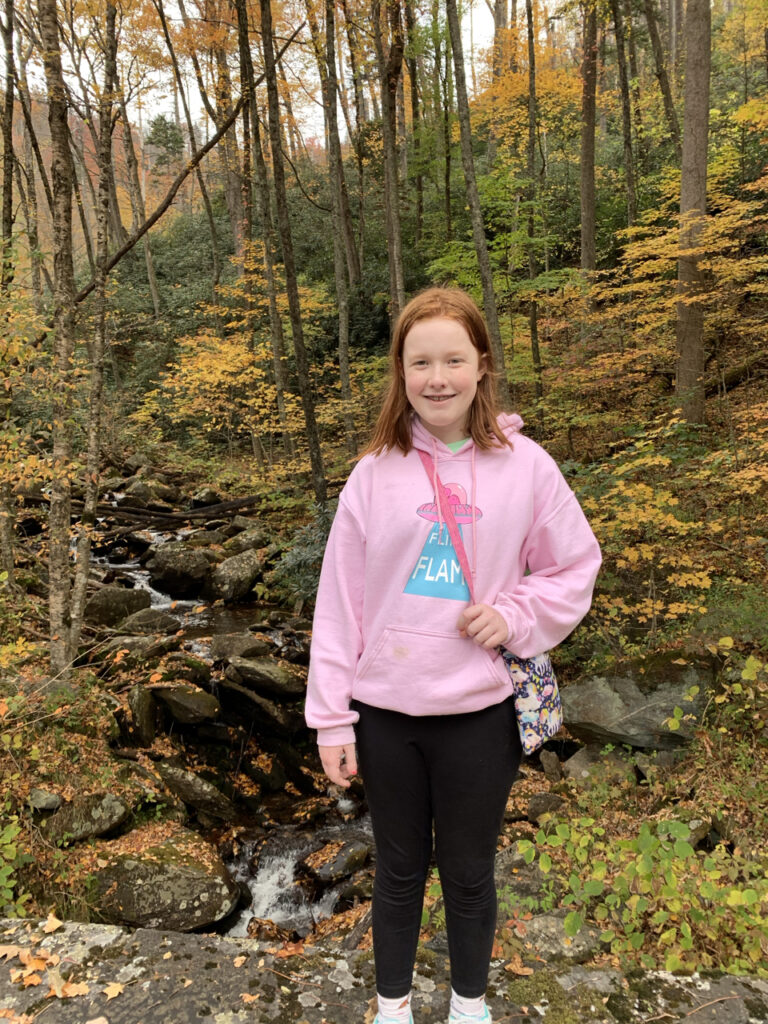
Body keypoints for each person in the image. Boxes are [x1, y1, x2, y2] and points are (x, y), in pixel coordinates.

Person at [305, 287, 601, 1024]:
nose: (437, 378)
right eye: (420, 362)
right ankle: (393, 1009)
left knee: (469, 874)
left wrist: (514, 615)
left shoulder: (527, 468)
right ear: (400, 373)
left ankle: (471, 1009)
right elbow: (341, 605)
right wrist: (331, 721)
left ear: (481, 366)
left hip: (479, 713)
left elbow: (574, 566)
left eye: (452, 360)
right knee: (399, 872)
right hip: (384, 714)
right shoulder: (372, 474)